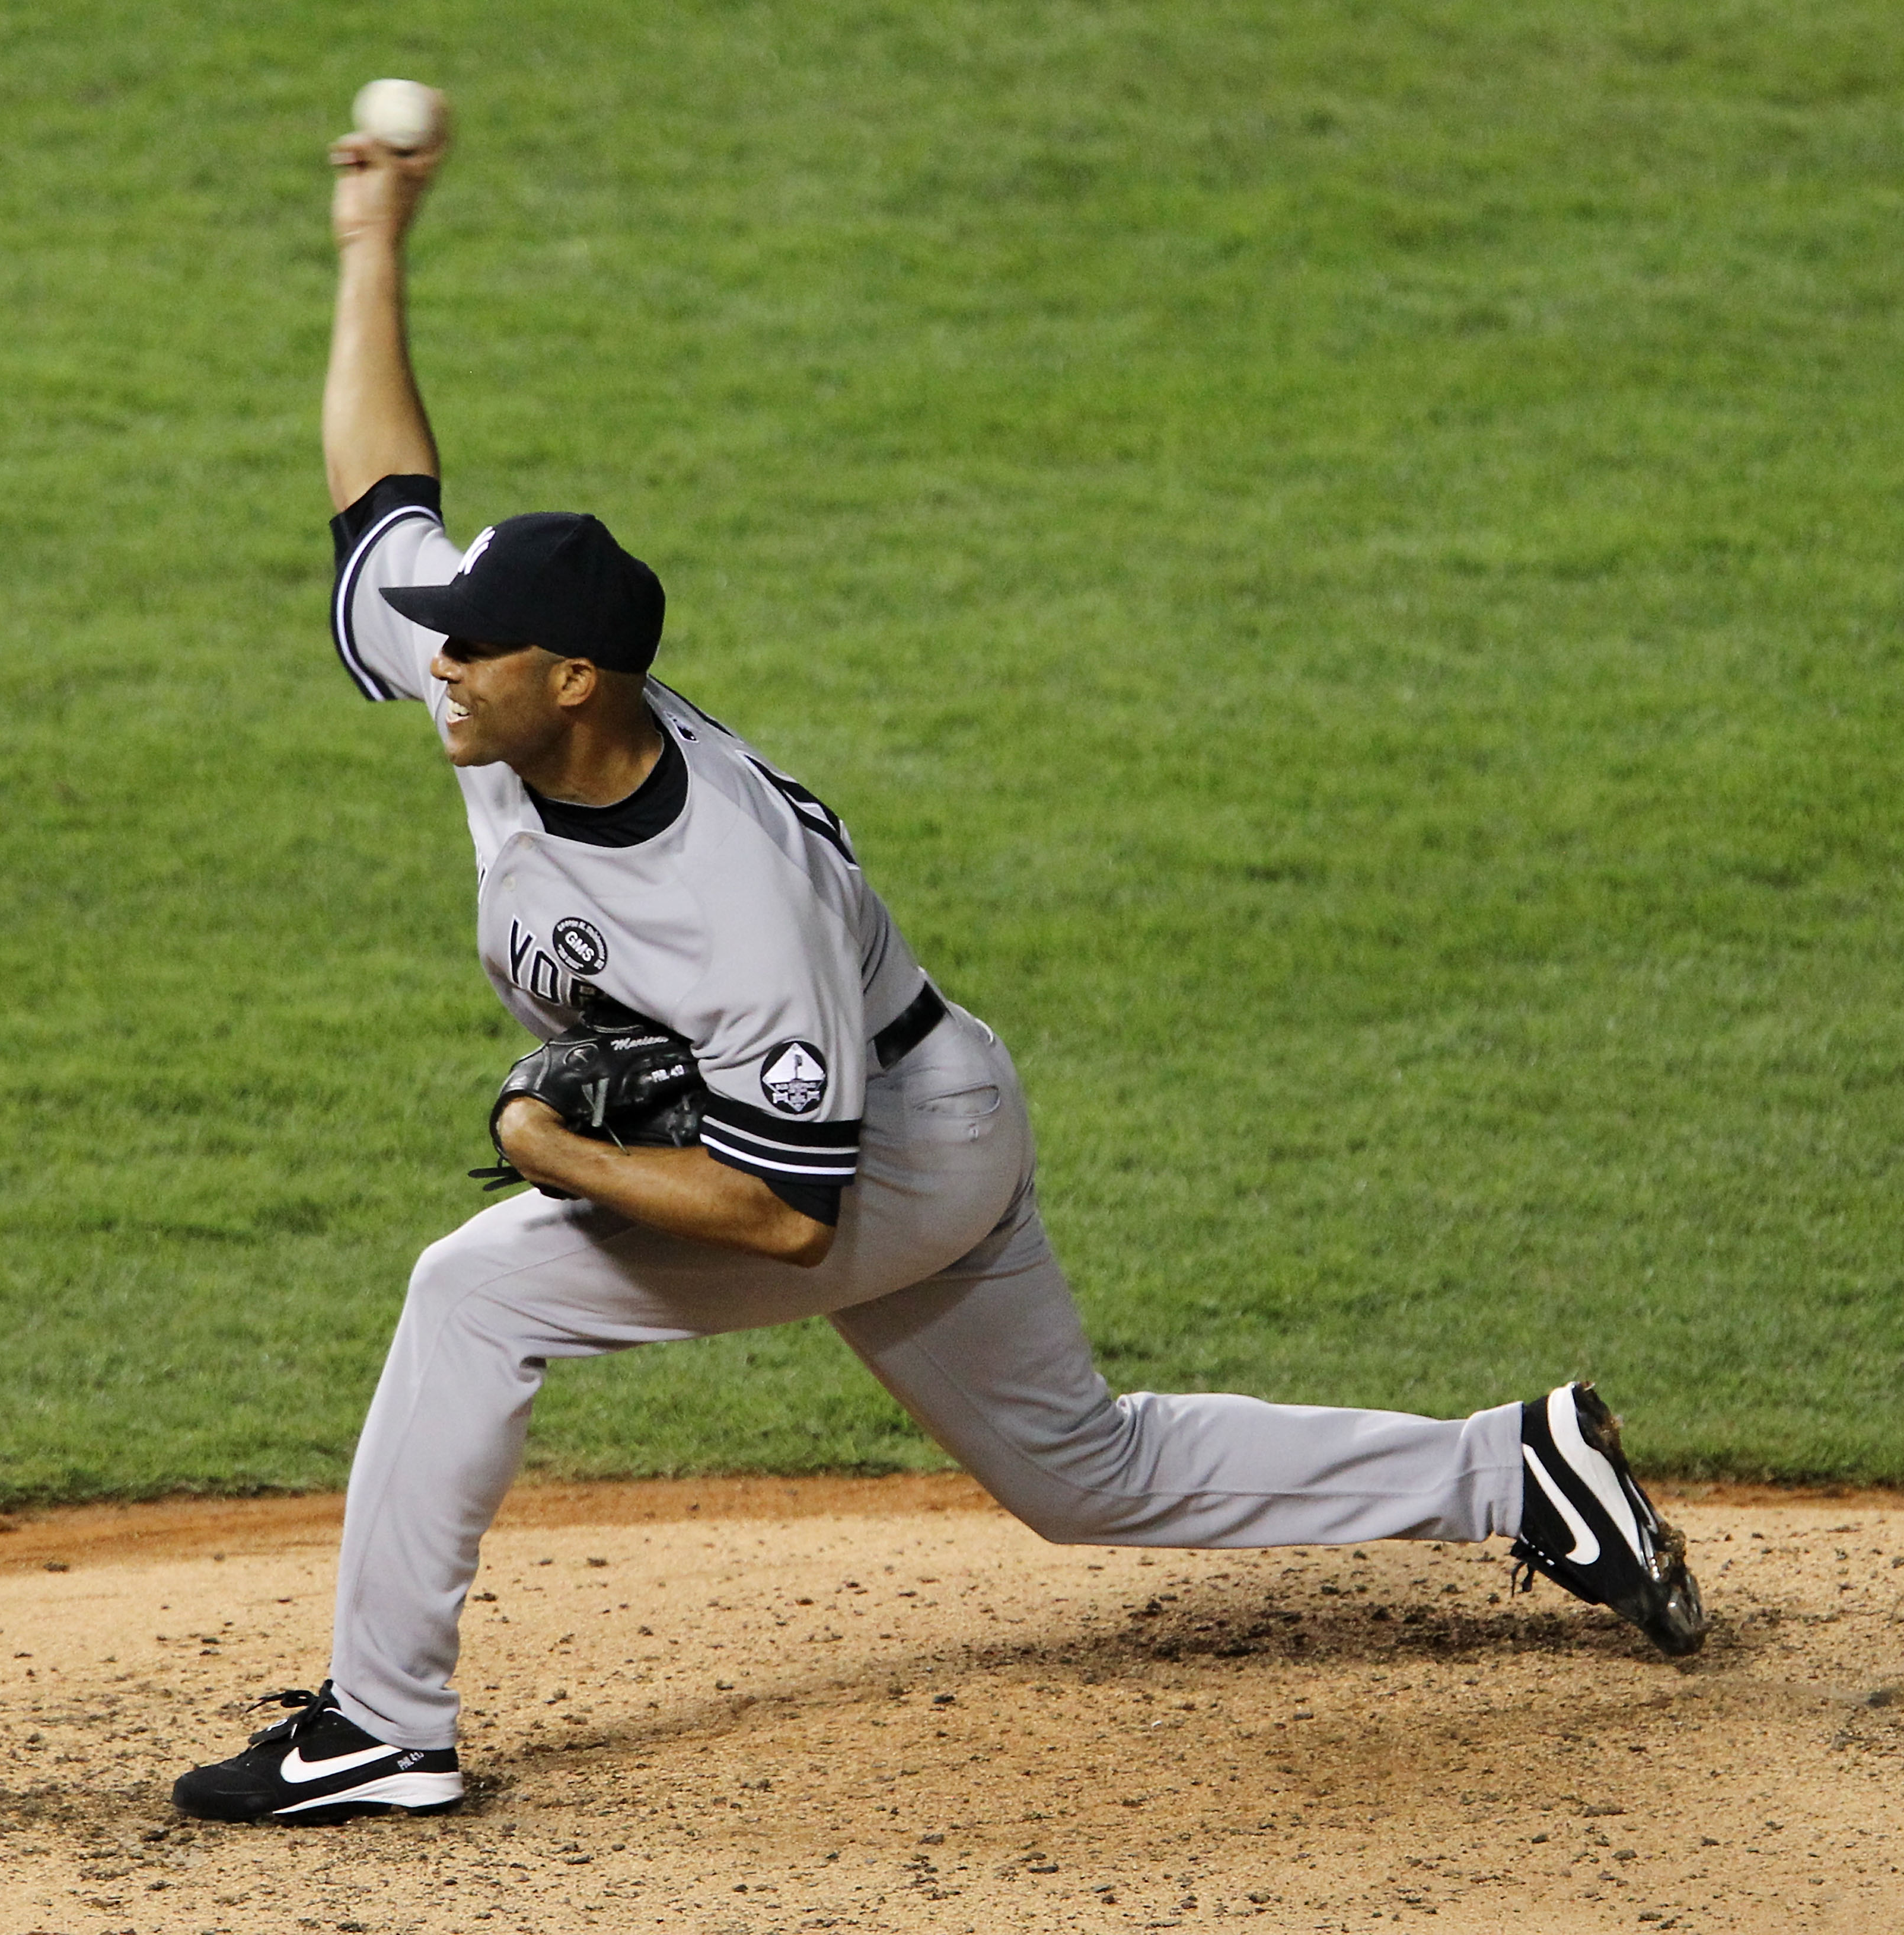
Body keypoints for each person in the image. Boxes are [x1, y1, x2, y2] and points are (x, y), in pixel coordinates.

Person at [171, 110, 1706, 1826]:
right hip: (915, 1092)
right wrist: (372, 238)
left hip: (891, 1147)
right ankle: (1525, 1468)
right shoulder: (511, 700)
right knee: (1085, 1474)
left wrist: (557, 1156)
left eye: (477, 652)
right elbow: (380, 501)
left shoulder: (727, 898)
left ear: (581, 680)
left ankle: (381, 1725)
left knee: (476, 1290)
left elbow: (786, 1221)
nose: (436, 664)